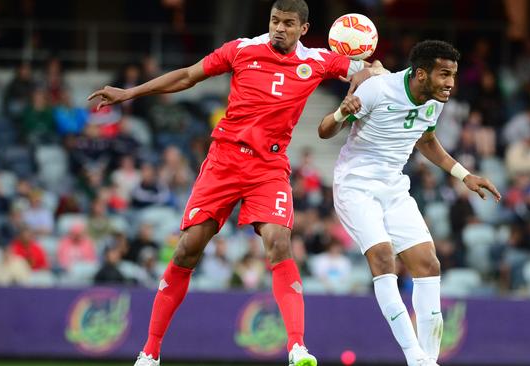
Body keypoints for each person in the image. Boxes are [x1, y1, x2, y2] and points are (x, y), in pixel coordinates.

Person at [88, 1, 384, 365]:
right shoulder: (242, 49)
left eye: (288, 24)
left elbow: (371, 70)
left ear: (303, 29)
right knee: (187, 249)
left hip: (269, 166)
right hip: (224, 160)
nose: (279, 28)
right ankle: (150, 352)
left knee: (279, 241)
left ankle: (297, 348)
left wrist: (362, 77)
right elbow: (187, 76)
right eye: (275, 21)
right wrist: (129, 93)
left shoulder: (320, 60)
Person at [318, 40, 501, 366]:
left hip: (394, 188)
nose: (450, 84)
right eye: (444, 74)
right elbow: (324, 131)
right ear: (420, 73)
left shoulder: (435, 100)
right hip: (356, 187)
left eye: (453, 75)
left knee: (429, 265)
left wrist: (463, 175)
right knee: (384, 258)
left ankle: (428, 361)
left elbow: (426, 139)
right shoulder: (377, 90)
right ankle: (415, 357)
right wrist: (340, 111)